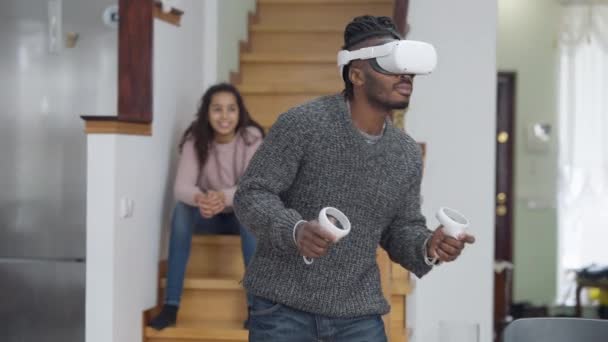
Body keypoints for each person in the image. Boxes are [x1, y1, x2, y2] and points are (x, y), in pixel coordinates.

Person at [233, 15, 476, 341]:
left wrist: (428, 246)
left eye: (406, 62)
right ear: (356, 74)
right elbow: (251, 194)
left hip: (357, 315)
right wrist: (295, 229)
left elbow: (400, 229)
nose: (405, 73)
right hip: (282, 309)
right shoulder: (303, 124)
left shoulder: (405, 154)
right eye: (389, 61)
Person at [149, 83, 264, 330]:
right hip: (207, 215)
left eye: (231, 109)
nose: (224, 117)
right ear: (207, 113)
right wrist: (203, 199)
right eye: (217, 109)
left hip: (240, 217)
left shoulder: (252, 138)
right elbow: (181, 187)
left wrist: (222, 196)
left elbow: (253, 189)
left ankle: (256, 309)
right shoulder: (196, 139)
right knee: (181, 210)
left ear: (239, 112)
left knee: (250, 212)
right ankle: (171, 306)